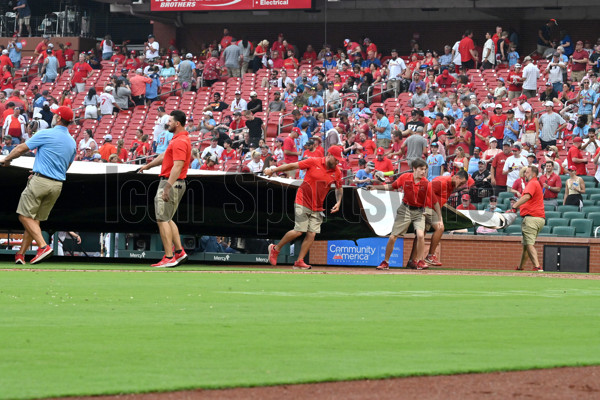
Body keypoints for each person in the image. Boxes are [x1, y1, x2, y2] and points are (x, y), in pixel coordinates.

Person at [2, 106, 76, 265]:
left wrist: (6, 160)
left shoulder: (46, 133)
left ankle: (43, 247)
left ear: (57, 118)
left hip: (41, 181)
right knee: (34, 220)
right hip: (57, 185)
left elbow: (21, 148)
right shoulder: (72, 142)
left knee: (24, 216)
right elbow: (66, 166)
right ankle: (20, 255)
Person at [265, 146, 344, 270]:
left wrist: (339, 202)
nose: (337, 162)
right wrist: (273, 170)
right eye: (336, 159)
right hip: (302, 199)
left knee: (311, 234)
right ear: (329, 155)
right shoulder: (313, 161)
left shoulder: (337, 171)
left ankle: (299, 261)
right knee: (299, 231)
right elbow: (292, 166)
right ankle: (275, 249)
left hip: (317, 206)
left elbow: (339, 188)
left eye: (339, 160)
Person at [138, 111, 191, 268]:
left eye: (169, 121)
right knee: (167, 218)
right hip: (175, 183)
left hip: (171, 183)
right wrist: (147, 166)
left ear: (177, 124)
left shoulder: (180, 141)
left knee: (162, 219)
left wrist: (167, 187)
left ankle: (169, 257)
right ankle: (179, 252)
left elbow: (178, 165)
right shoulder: (177, 139)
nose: (167, 123)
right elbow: (164, 156)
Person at [368, 159, 438, 271]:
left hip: (419, 211)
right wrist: (376, 187)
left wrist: (437, 217)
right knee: (392, 236)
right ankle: (385, 262)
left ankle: (420, 261)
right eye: (421, 169)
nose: (423, 172)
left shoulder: (426, 183)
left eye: (425, 170)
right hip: (405, 209)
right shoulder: (405, 178)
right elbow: (391, 186)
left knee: (420, 235)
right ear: (414, 169)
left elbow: (433, 201)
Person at [423, 170, 469, 267]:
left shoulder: (452, 185)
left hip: (432, 208)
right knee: (440, 228)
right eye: (461, 182)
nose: (461, 185)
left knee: (421, 234)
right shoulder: (441, 181)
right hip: (427, 207)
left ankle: (413, 260)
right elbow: (425, 191)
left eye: (463, 184)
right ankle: (430, 256)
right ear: (456, 177)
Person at [510, 165, 545, 271]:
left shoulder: (533, 183)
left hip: (532, 218)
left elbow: (526, 196)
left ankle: (537, 266)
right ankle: (520, 267)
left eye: (527, 172)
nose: (525, 174)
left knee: (529, 244)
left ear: (533, 174)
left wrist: (515, 206)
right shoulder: (535, 183)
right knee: (526, 245)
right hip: (538, 218)